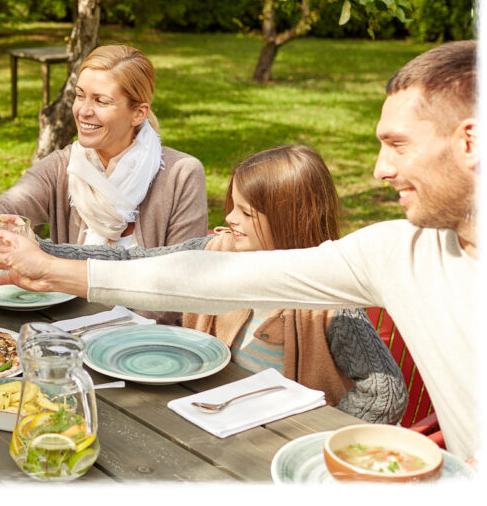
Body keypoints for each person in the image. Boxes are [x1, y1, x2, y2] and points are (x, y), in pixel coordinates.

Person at [0, 41, 479, 461]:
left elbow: (385, 394)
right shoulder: (391, 252)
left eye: (398, 144)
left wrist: (309, 441)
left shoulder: (350, 290)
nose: (380, 169)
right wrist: (45, 261)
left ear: (471, 141)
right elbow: (177, 271)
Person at [37, 145, 407, 423]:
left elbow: (385, 395)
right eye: (233, 204)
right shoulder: (215, 250)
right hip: (203, 415)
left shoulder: (330, 298)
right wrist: (42, 251)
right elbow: (129, 261)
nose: (230, 217)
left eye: (246, 212)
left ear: (290, 220)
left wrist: (315, 439)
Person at [0, 44, 208, 250]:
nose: (83, 111)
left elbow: (183, 271)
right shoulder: (63, 165)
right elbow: (9, 203)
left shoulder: (182, 174)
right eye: (80, 96)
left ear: (138, 114)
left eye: (101, 101)